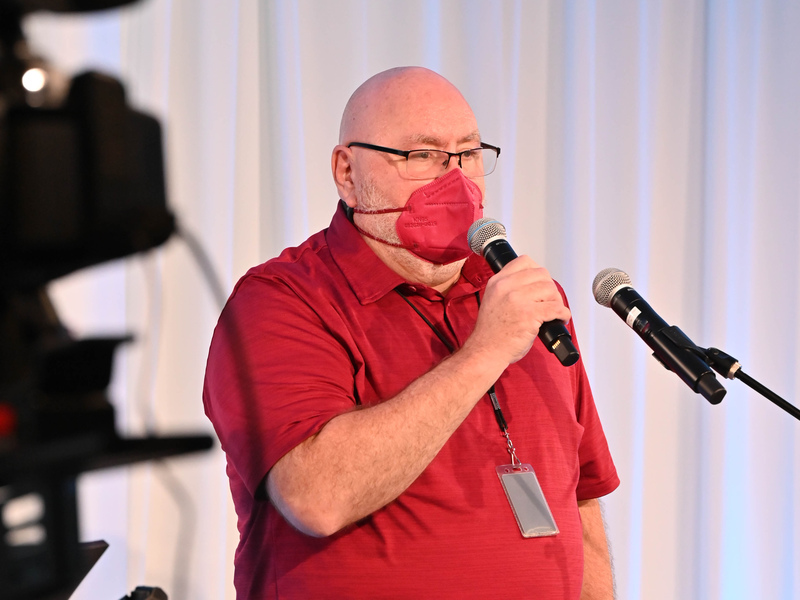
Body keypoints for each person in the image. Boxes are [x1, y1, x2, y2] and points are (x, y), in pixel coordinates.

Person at [203, 66, 619, 599]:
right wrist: (484, 352)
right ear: (347, 172)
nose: (456, 179)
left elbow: (579, 496)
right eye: (422, 156)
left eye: (468, 154)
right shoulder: (282, 300)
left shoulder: (523, 296)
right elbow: (316, 496)